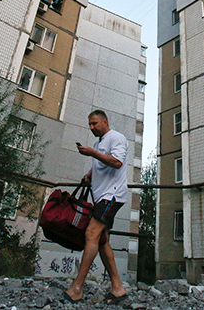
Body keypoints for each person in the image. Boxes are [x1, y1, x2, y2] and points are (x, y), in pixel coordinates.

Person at [64, 109, 128, 305]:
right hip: (101, 196)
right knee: (102, 240)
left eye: (94, 124)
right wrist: (90, 174)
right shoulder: (98, 143)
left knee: (91, 233)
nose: (91, 128)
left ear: (105, 122)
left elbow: (117, 162)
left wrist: (92, 153)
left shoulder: (116, 137)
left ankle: (77, 288)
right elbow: (103, 160)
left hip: (112, 195)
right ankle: (118, 288)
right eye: (89, 125)